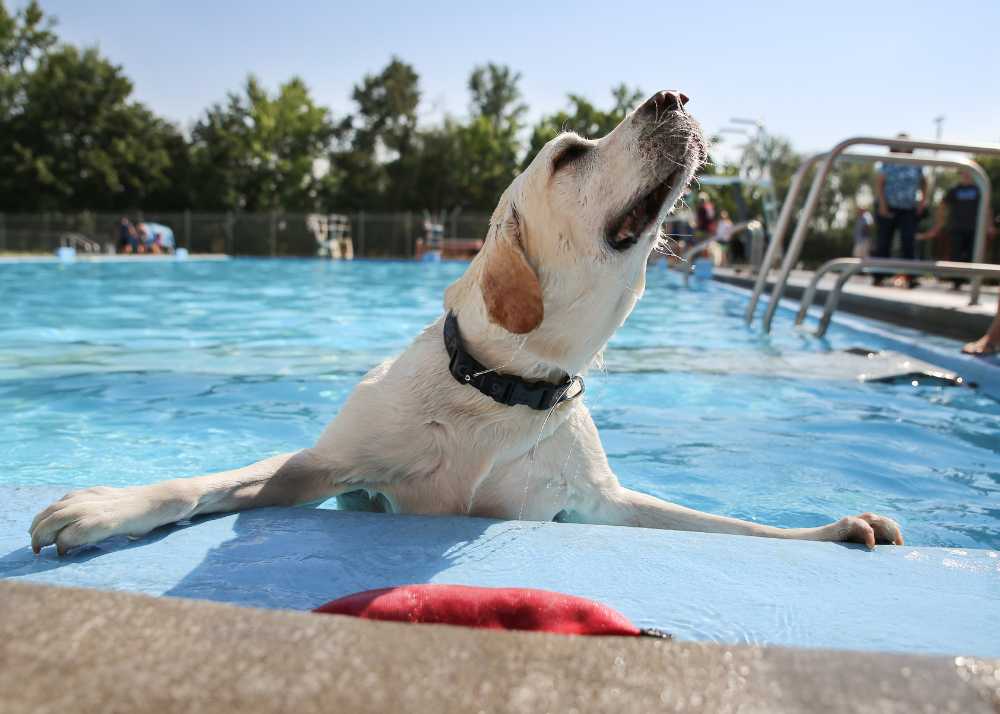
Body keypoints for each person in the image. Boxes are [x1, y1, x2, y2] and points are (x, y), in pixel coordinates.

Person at [922, 170, 995, 289]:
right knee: (956, 254)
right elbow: (942, 206)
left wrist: (990, 225)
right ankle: (957, 281)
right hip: (957, 227)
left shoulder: (979, 189)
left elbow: (987, 208)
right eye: (964, 173)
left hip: (975, 229)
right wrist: (939, 224)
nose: (966, 175)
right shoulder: (954, 190)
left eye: (968, 173)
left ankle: (970, 280)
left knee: (972, 254)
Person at [873, 134, 927, 287]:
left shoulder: (917, 162)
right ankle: (879, 275)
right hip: (888, 206)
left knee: (908, 241)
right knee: (883, 242)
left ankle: (911, 276)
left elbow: (924, 182)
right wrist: (882, 205)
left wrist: (922, 202)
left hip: (908, 208)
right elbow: (879, 183)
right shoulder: (888, 161)